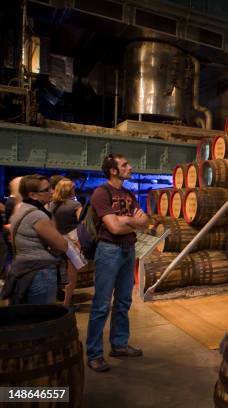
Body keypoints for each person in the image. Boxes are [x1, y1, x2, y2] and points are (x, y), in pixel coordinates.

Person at [86, 154, 149, 373]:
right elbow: (113, 228)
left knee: (123, 302)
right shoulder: (101, 194)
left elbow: (146, 221)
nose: (130, 167)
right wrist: (135, 222)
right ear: (113, 171)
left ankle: (119, 345)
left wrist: (126, 220)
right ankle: (94, 353)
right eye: (125, 165)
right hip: (109, 250)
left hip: (128, 250)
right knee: (102, 304)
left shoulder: (129, 193)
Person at [5, 175, 68, 304]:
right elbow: (62, 246)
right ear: (33, 195)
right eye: (46, 190)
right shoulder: (37, 215)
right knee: (41, 318)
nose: (51, 192)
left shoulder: (21, 209)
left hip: (23, 269)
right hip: (39, 272)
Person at [49, 178, 83, 308]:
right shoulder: (75, 205)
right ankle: (67, 304)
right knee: (71, 277)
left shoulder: (49, 205)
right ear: (69, 190)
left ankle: (50, 303)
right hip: (71, 245)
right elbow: (82, 224)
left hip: (54, 242)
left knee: (54, 273)